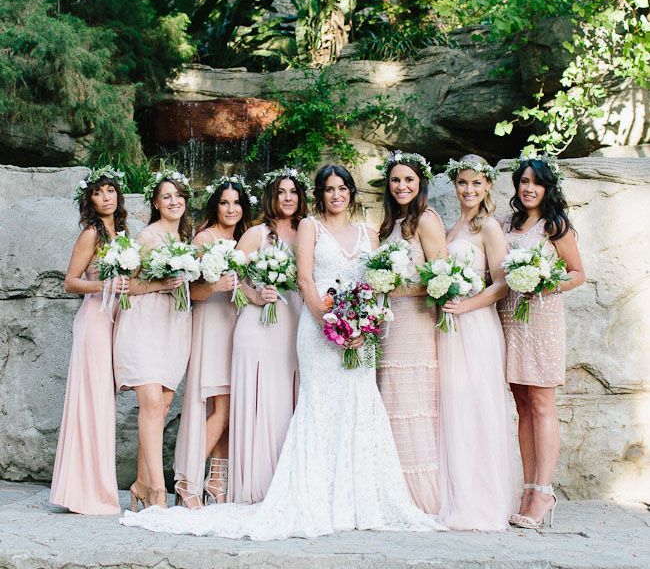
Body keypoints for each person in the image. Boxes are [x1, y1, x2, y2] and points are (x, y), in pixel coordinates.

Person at [120, 165, 445, 538]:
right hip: (319, 328)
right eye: (328, 189)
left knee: (359, 405)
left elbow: (372, 282)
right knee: (318, 406)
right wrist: (330, 321)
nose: (336, 195)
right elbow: (305, 278)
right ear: (320, 194)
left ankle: (357, 499)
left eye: (342, 188)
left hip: (360, 332)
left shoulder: (369, 232)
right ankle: (302, 496)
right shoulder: (309, 227)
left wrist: (362, 325)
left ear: (352, 193)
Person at [498, 153, 585, 529]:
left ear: (547, 188)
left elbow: (578, 274)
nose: (529, 188)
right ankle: (527, 487)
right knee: (522, 403)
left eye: (536, 182)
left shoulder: (556, 227)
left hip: (543, 319)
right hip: (510, 319)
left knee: (542, 402)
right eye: (523, 182)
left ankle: (543, 490)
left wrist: (547, 283)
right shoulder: (506, 224)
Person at [437, 154, 517, 530]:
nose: (468, 190)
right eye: (462, 183)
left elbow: (502, 284)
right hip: (451, 327)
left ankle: (483, 503)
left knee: (478, 408)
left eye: (476, 183)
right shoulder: (454, 227)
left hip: (476, 325)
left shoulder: (489, 228)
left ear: (487, 186)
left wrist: (465, 305)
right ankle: (455, 494)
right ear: (455, 186)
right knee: (454, 408)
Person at [50, 166, 129, 515]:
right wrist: (104, 285)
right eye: (98, 192)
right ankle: (85, 492)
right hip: (95, 320)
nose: (106, 197)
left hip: (116, 320)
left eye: (110, 190)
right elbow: (70, 281)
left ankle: (96, 487)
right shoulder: (90, 234)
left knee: (105, 404)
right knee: (91, 403)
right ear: (90, 199)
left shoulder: (124, 231)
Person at [113, 169, 193, 509]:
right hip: (144, 323)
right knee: (149, 404)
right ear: (156, 204)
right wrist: (161, 285)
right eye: (166, 197)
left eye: (178, 196)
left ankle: (140, 486)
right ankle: (159, 493)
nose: (173, 201)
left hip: (174, 326)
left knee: (161, 406)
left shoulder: (187, 242)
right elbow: (126, 287)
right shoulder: (147, 236)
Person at [227, 168, 309, 504]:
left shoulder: (308, 231)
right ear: (271, 197)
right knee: (262, 398)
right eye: (281, 192)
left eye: (293, 192)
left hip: (296, 324)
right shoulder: (256, 234)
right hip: (259, 326)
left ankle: (286, 483)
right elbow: (233, 279)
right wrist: (256, 294)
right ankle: (255, 485)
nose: (287, 198)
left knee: (288, 399)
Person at [173, 176, 253, 509]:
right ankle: (187, 480)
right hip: (212, 324)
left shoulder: (246, 239)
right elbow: (186, 291)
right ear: (215, 206)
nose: (231, 208)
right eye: (224, 202)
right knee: (220, 405)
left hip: (238, 323)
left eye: (236, 203)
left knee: (230, 405)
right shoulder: (205, 238)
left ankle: (217, 481)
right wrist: (216, 285)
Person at [375, 152, 447, 514]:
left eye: (409, 180)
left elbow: (442, 281)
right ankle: (393, 491)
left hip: (416, 323)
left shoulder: (427, 220)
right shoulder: (390, 223)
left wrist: (395, 286)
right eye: (395, 180)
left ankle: (421, 496)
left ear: (421, 184)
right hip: (388, 324)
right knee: (391, 400)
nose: (402, 186)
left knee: (412, 403)